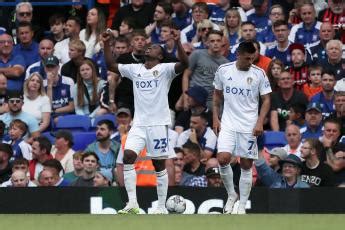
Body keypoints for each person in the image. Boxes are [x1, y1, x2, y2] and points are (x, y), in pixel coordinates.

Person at [102, 25, 188, 214]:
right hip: (139, 124)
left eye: (155, 47)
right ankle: (132, 203)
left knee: (159, 164)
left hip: (158, 124)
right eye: (149, 46)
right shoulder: (135, 69)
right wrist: (106, 44)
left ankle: (161, 206)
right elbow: (110, 65)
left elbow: (184, 64)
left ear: (160, 56)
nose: (149, 47)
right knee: (128, 157)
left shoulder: (166, 69)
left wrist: (179, 42)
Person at [213, 41, 272, 214]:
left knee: (246, 164)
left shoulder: (259, 73)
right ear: (238, 54)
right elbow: (216, 97)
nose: (250, 62)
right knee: (223, 159)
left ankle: (241, 205)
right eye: (247, 58)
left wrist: (260, 121)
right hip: (229, 123)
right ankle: (232, 194)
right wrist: (215, 118)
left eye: (253, 58)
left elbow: (267, 99)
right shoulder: (224, 70)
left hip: (248, 125)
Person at [183, 30, 228, 110]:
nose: (215, 43)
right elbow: (186, 75)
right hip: (194, 100)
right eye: (212, 41)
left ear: (222, 43)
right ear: (207, 43)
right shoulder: (197, 54)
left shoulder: (226, 64)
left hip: (213, 102)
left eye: (218, 40)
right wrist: (185, 98)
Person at [45, 55, 75, 122]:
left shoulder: (68, 81)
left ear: (58, 67)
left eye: (53, 66)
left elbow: (72, 107)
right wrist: (49, 85)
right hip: (49, 116)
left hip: (66, 115)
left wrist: (55, 110)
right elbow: (47, 108)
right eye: (48, 67)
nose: (50, 69)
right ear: (45, 68)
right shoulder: (42, 84)